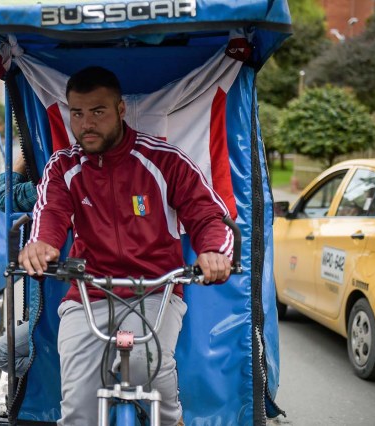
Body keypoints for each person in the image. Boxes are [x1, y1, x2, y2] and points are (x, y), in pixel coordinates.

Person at [18, 66, 233, 425]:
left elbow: (208, 214)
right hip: (89, 293)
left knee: (151, 364)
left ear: (120, 110)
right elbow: (50, 213)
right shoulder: (64, 166)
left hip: (155, 290)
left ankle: (171, 420)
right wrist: (41, 245)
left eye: (98, 112)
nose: (86, 123)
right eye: (77, 113)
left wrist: (213, 251)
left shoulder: (165, 159)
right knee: (76, 405)